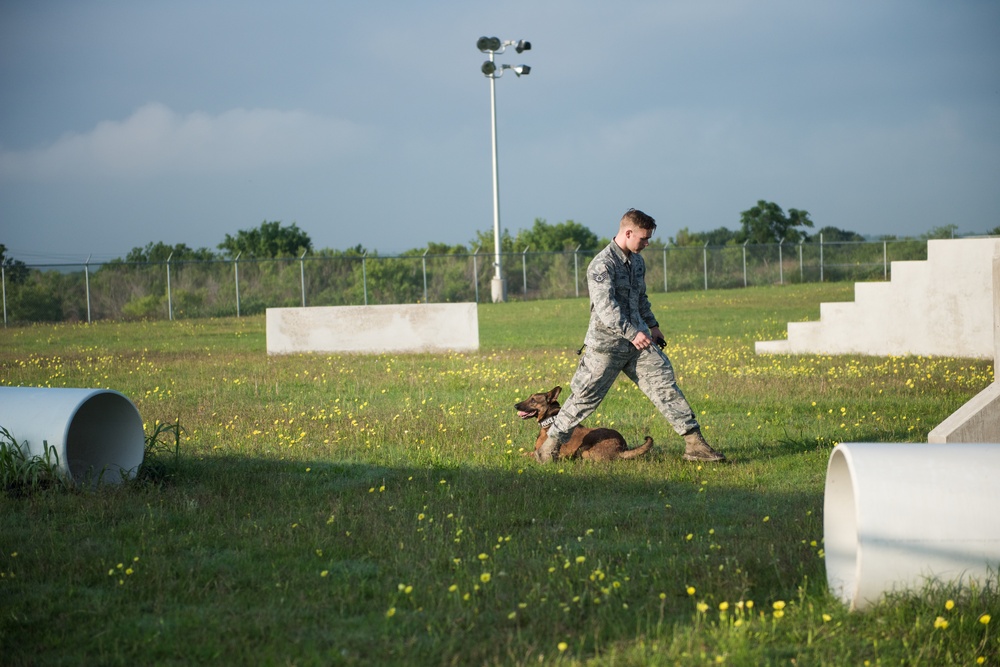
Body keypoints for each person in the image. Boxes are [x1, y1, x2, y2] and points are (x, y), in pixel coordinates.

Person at [536, 208, 726, 463]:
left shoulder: (637, 261)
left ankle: (695, 444)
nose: (647, 243)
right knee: (583, 400)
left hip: (637, 343)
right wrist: (631, 332)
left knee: (664, 384)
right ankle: (550, 448)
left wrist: (652, 325)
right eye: (643, 238)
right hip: (606, 347)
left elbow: (640, 298)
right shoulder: (601, 265)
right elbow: (606, 309)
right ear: (628, 232)